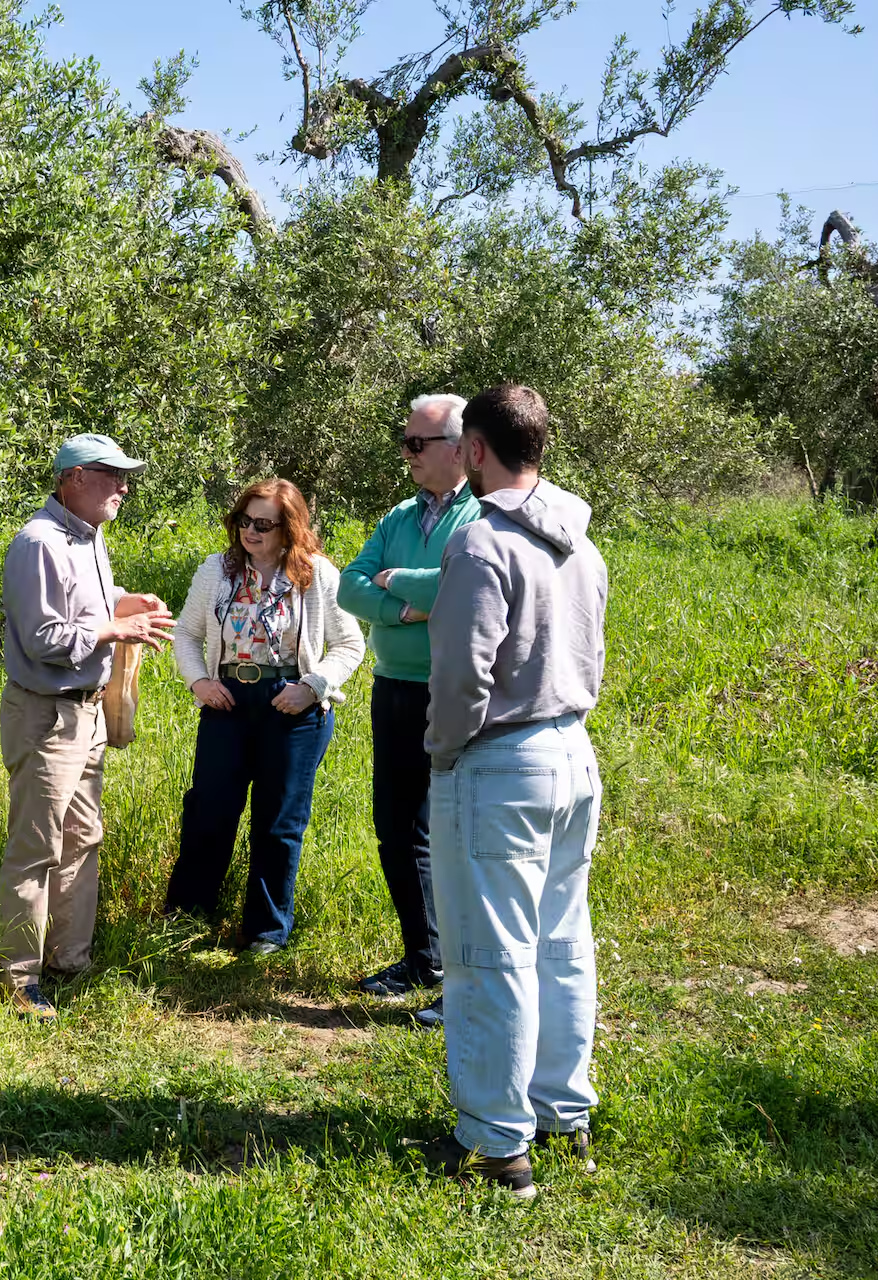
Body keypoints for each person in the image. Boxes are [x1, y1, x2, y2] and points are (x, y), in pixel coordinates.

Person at [416, 384, 609, 1201]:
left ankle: (499, 1146)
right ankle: (562, 1113)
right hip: (572, 750)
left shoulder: (483, 544)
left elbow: (463, 672)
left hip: (500, 756)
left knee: (487, 953)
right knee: (562, 944)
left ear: (476, 451)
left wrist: (442, 751)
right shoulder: (580, 542)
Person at [0, 433, 174, 1020]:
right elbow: (44, 638)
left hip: (88, 711)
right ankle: (20, 980)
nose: (123, 487)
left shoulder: (88, 537)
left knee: (83, 836)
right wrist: (113, 631)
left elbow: (82, 604)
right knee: (36, 845)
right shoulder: (38, 543)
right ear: (73, 479)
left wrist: (123, 601)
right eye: (112, 475)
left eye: (125, 476)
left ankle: (69, 959)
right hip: (47, 715)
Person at [164, 479, 364, 953]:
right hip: (227, 699)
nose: (249, 531)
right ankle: (188, 915)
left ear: (288, 529)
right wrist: (199, 682)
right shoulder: (217, 570)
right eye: (242, 520)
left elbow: (350, 645)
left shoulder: (316, 575)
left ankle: (266, 931)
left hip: (292, 704)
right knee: (209, 810)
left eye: (262, 524)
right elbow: (186, 635)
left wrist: (312, 688)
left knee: (278, 822)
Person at [336, 393, 483, 1010]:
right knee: (398, 831)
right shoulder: (399, 516)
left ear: (459, 449)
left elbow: (464, 585)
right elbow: (349, 585)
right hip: (392, 688)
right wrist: (405, 605)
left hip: (450, 691)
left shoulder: (482, 516)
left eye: (416, 444)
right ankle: (423, 960)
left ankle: (464, 970)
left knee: (457, 833)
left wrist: (399, 582)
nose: (406, 454)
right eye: (404, 441)